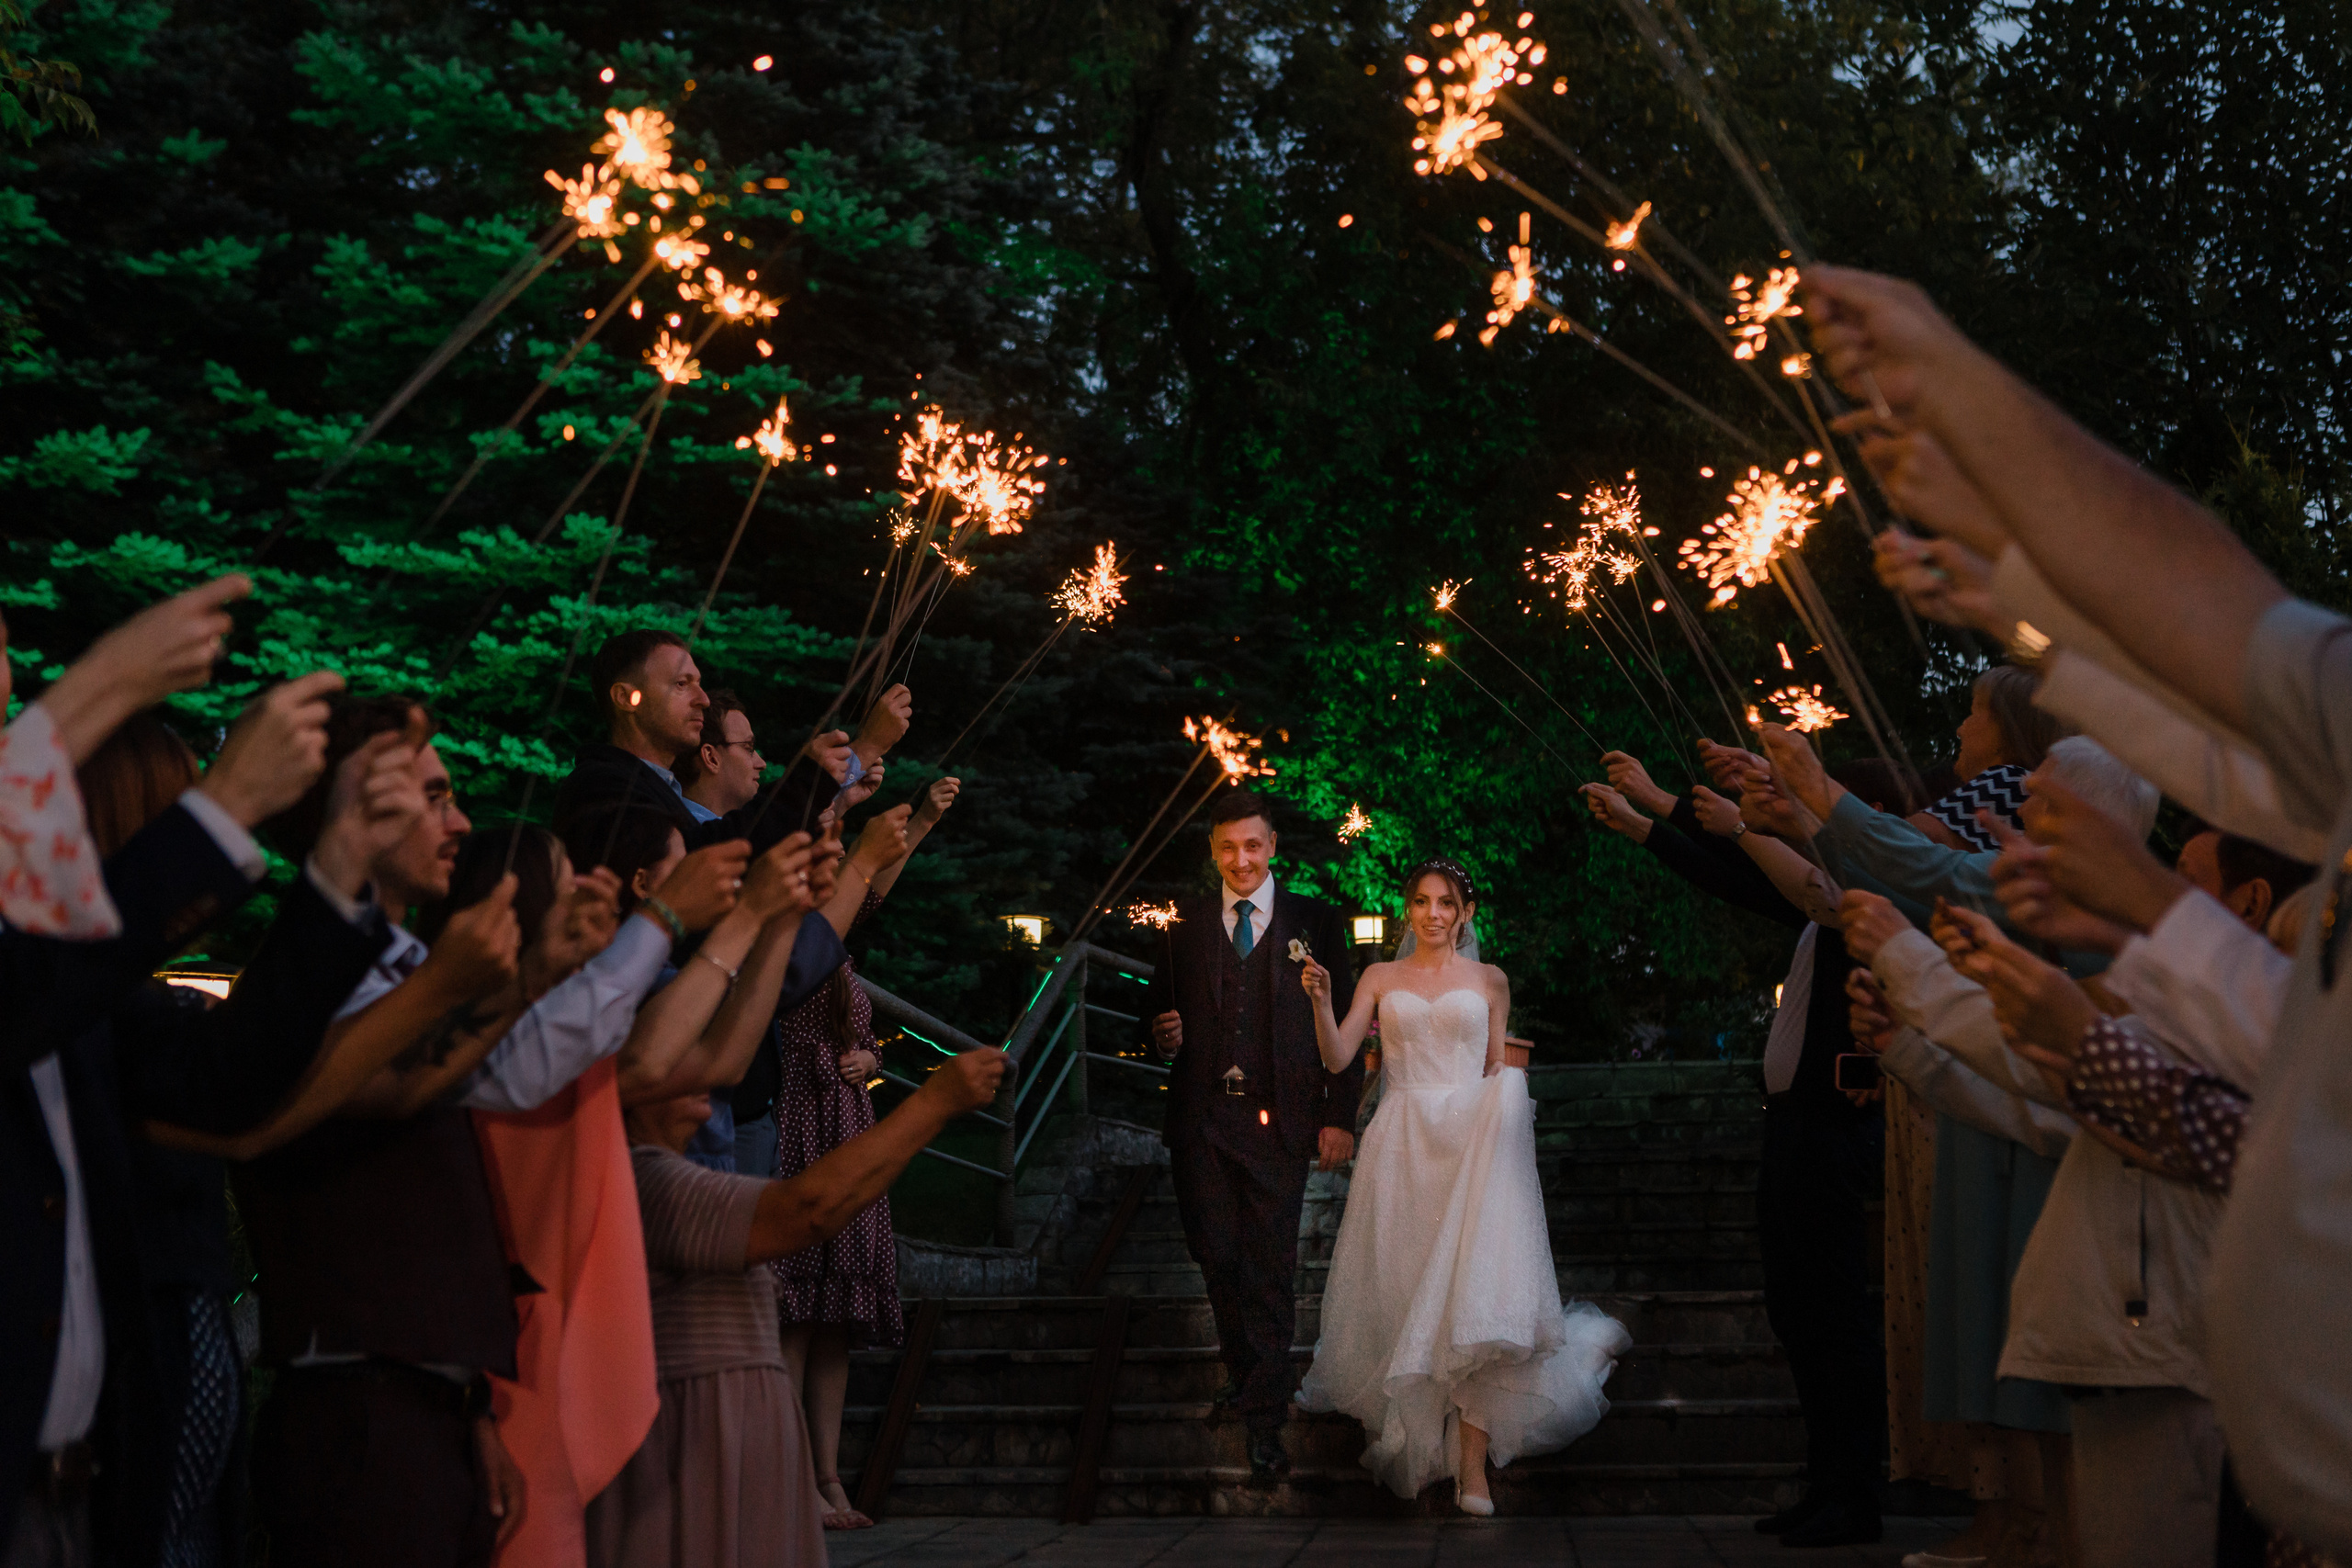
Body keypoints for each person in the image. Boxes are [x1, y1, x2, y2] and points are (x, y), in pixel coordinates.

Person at [1583, 748, 1896, 1547]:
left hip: (1830, 1122)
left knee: (1831, 1311)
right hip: (1796, 1122)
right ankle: (1827, 1481)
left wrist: (1692, 811)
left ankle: (1853, 1491)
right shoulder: (1819, 899)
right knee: (1798, 1309)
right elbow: (1737, 875)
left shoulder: (1855, 894)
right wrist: (1652, 822)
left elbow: (1770, 867)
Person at [583, 1044, 1009, 1568]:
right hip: (688, 1472)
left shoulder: (661, 1178)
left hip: (728, 1464)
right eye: (681, 1059)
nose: (710, 1072)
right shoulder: (648, 1184)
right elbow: (810, 1210)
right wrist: (935, 1102)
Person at [1295, 859, 1628, 1511]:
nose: (1433, 914)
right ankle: (1418, 1439)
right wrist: (1319, 999)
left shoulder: (1490, 981)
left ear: (1465, 911)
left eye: (1446, 903)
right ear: (1407, 909)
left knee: (1474, 1297)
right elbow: (1337, 1057)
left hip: (1471, 1146)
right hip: (1401, 1145)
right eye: (1420, 902)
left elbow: (1495, 1070)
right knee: (1406, 1289)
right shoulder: (1380, 976)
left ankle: (1473, 1467)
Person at [1143, 788, 1364, 1483]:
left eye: (1254, 845)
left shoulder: (1318, 922)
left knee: (1268, 1269)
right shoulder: (1181, 933)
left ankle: (1266, 1420)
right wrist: (1159, 1035)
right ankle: (1250, 1378)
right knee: (1217, 1255)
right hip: (1203, 1122)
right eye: (1228, 847)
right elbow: (1150, 1019)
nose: (1242, 859)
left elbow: (1349, 1031)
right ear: (1213, 850)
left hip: (1279, 1123)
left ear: (1273, 848)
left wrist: (1338, 1115)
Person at [770, 774, 953, 1529]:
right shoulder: (782, 923)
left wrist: (929, 819)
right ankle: (785, 1478)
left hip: (844, 1116)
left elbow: (876, 884)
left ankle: (827, 1475)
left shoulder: (835, 930)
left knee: (836, 1315)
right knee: (795, 1314)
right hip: (795, 1121)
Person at [549, 629, 894, 845]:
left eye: (699, 683)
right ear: (627, 698)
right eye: (681, 684)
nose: (703, 699)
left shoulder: (651, 789)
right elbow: (705, 860)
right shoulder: (603, 788)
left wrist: (834, 796)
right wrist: (810, 779)